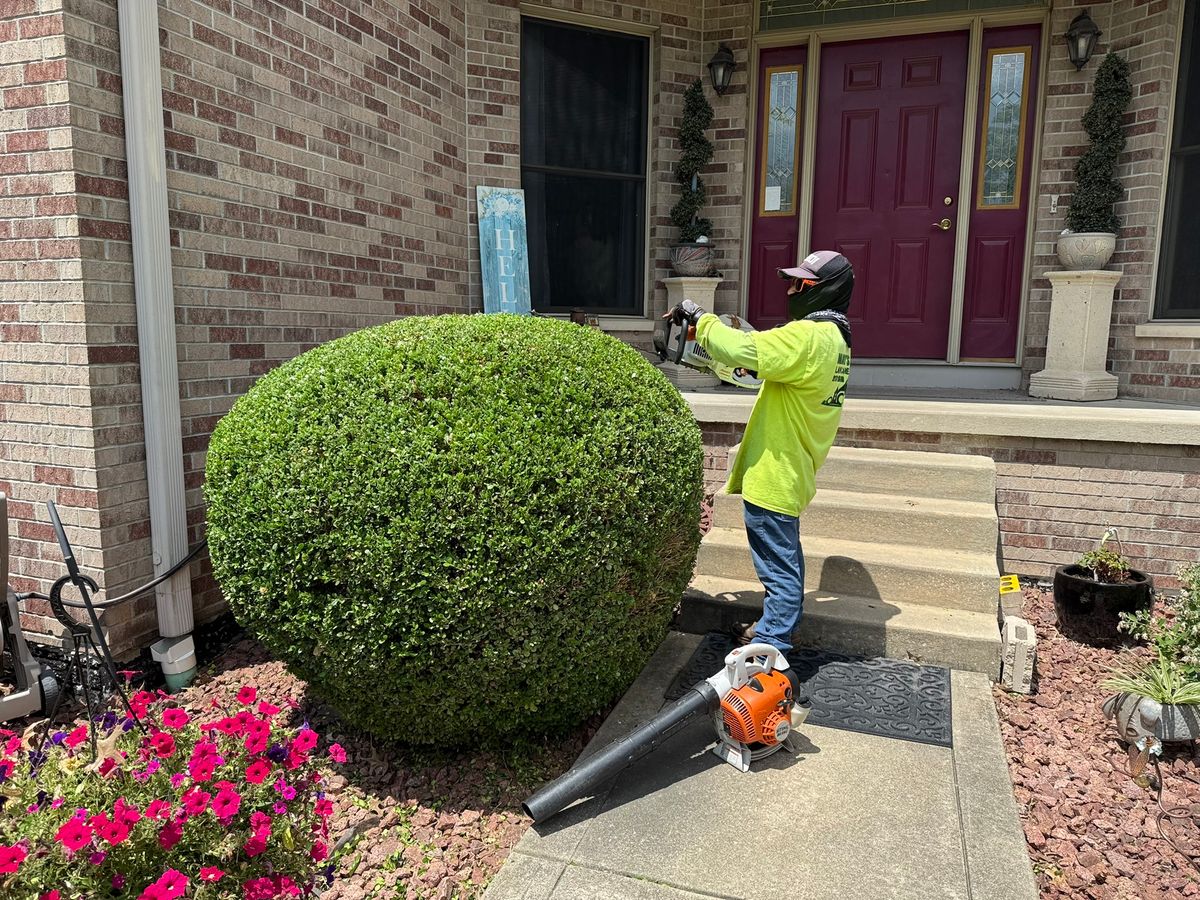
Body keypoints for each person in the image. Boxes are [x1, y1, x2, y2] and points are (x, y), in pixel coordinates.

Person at [664, 250, 854, 654]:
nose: (790, 289)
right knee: (785, 559)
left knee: (778, 568)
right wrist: (707, 357)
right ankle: (774, 627)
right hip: (793, 469)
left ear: (825, 290)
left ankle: (771, 649)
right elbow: (753, 373)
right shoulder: (833, 340)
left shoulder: (809, 336)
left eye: (800, 283)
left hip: (776, 473)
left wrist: (700, 315)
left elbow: (741, 348)